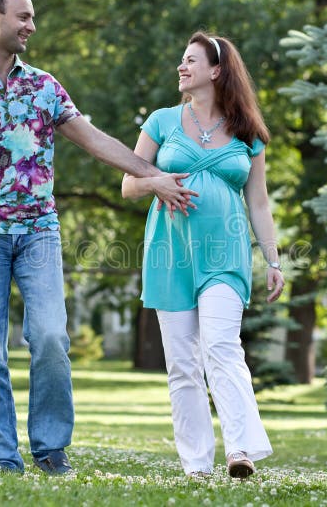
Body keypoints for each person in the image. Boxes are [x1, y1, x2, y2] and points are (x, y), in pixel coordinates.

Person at [0, 0, 195, 475]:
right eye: (23, 17)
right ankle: (2, 459)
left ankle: (50, 449)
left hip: (38, 231)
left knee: (50, 338)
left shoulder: (44, 86)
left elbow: (94, 140)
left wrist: (150, 177)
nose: (31, 26)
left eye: (33, 18)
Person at [121, 32, 286, 479]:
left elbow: (259, 202)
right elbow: (129, 184)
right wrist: (155, 182)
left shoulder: (248, 132)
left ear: (216, 70)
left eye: (190, 60)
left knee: (220, 346)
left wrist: (272, 260)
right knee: (182, 365)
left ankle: (240, 450)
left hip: (225, 252)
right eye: (181, 59)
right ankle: (196, 465)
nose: (181, 66)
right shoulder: (160, 121)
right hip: (169, 251)